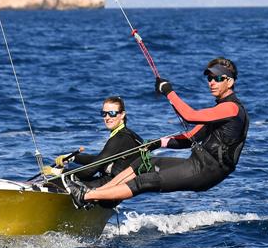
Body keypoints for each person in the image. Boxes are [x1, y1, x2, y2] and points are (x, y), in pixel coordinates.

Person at [74, 57, 249, 205]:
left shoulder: (231, 108)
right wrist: (158, 143)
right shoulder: (219, 110)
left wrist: (168, 91)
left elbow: (190, 115)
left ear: (230, 82)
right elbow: (189, 139)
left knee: (146, 181)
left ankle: (85, 196)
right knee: (144, 164)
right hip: (197, 163)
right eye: (209, 78)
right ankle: (99, 193)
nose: (212, 82)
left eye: (218, 79)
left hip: (207, 172)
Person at [42, 96, 145, 200]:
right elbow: (99, 160)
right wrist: (72, 157)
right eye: (104, 114)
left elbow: (90, 170)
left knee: (56, 181)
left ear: (122, 114)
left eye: (112, 113)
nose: (107, 117)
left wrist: (59, 173)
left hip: (109, 190)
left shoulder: (120, 138)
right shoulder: (128, 135)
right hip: (116, 187)